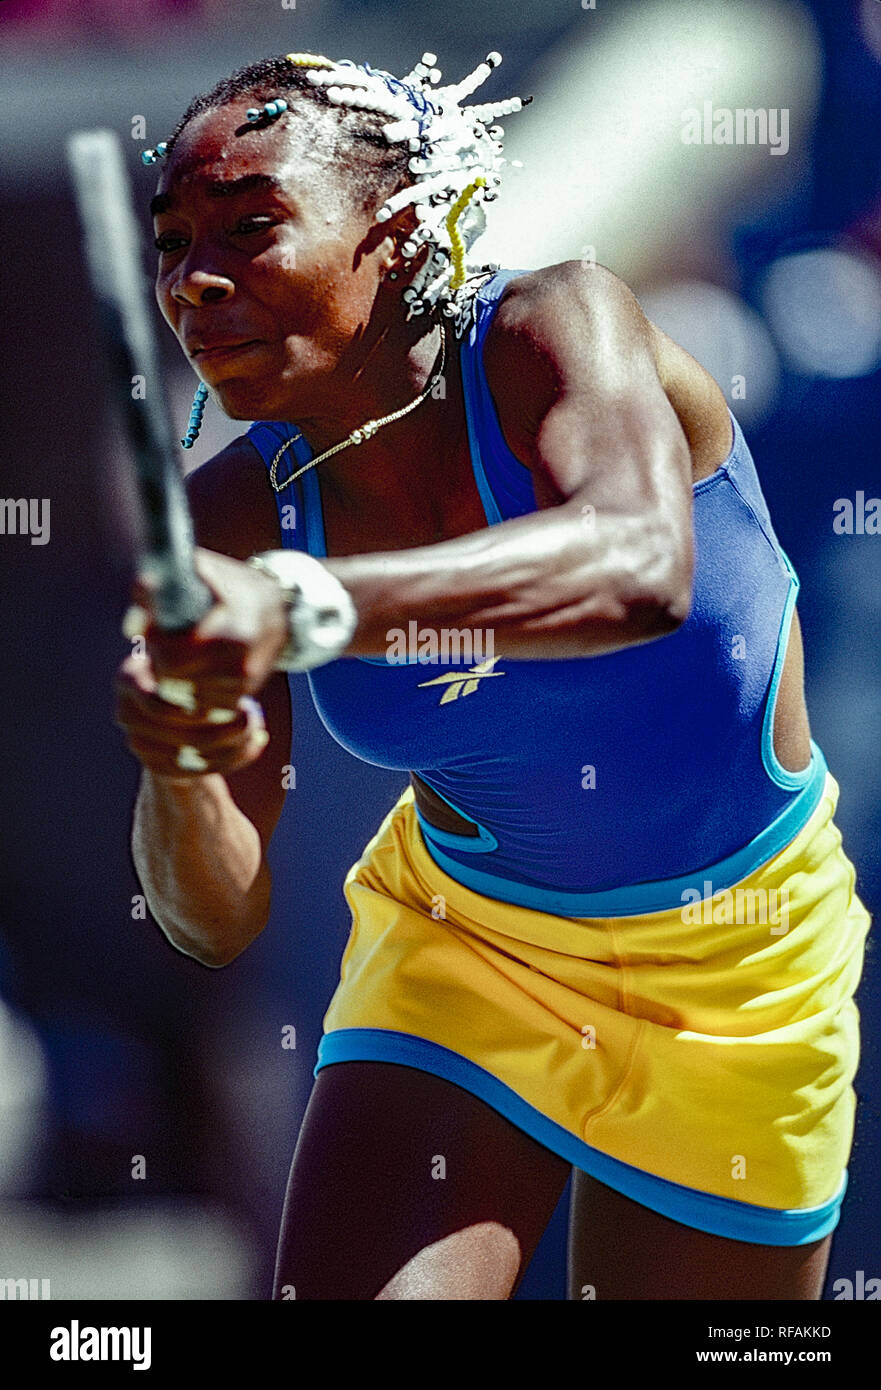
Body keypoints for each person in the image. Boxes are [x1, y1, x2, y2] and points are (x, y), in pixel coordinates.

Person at [116, 50, 872, 1300]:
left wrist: (306, 605)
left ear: (401, 234)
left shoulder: (553, 326)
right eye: (173, 241)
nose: (194, 281)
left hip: (747, 959)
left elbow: (635, 569)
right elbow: (213, 917)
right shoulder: (230, 521)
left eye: (250, 229)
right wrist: (177, 749)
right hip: (468, 951)